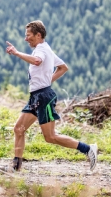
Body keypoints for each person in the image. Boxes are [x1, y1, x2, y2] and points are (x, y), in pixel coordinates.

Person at [5, 20, 97, 172]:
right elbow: (63, 68)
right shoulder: (46, 48)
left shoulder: (41, 50)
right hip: (36, 96)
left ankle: (88, 149)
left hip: (43, 98)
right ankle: (16, 168)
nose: (25, 39)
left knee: (50, 137)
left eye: (28, 35)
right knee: (19, 129)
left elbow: (36, 61)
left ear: (38, 35)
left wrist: (16, 53)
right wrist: (48, 80)